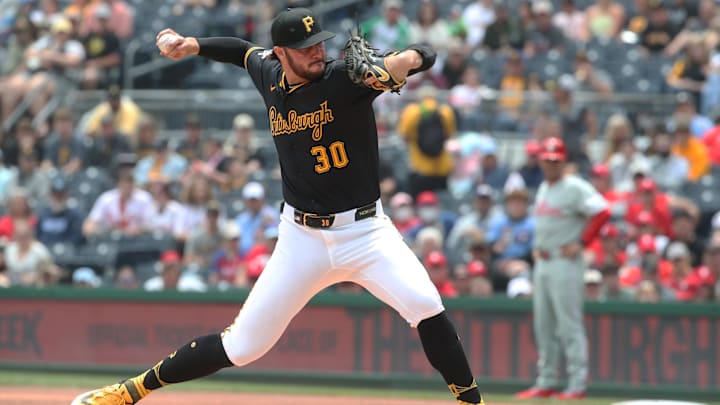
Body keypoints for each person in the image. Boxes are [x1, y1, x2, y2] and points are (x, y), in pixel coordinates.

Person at [72, 8, 485, 405]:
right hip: (300, 238)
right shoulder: (269, 73)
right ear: (280, 54)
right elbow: (239, 50)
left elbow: (422, 57)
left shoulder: (345, 80)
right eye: (305, 48)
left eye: (319, 43)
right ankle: (128, 393)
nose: (317, 52)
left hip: (365, 232)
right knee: (243, 346)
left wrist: (407, 58)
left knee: (427, 307)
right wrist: (192, 44)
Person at [516, 137, 609, 400]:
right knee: (543, 324)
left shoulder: (575, 186)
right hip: (543, 261)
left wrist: (582, 242)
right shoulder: (545, 186)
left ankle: (577, 384)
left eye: (555, 160)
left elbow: (603, 211)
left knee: (569, 325)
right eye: (547, 160)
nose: (550, 165)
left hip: (564, 262)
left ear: (564, 161)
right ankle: (546, 381)